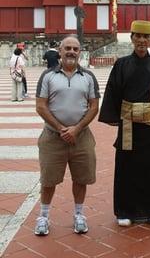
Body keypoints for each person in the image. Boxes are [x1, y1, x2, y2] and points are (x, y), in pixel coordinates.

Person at [98, 20, 150, 228]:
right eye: (137, 36)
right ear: (131, 38)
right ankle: (124, 210)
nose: (141, 40)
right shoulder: (122, 64)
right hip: (128, 123)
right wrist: (113, 116)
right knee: (126, 167)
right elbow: (113, 90)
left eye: (145, 37)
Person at [35, 35, 100, 236]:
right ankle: (43, 216)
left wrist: (77, 128)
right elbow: (40, 105)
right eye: (67, 48)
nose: (71, 52)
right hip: (53, 136)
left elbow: (94, 106)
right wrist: (62, 128)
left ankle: (79, 214)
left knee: (81, 177)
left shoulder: (88, 77)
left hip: (81, 136)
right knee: (48, 179)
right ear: (60, 51)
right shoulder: (47, 76)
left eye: (75, 49)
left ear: (80, 52)